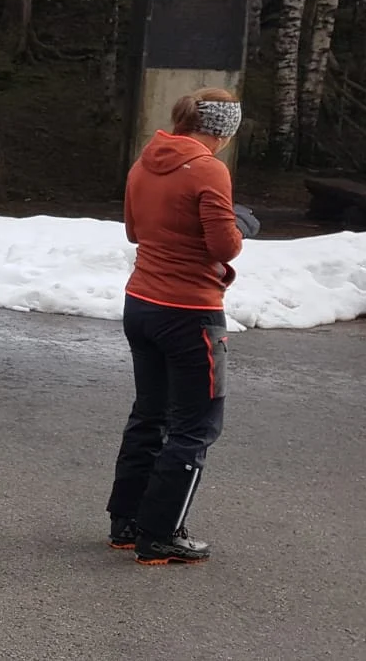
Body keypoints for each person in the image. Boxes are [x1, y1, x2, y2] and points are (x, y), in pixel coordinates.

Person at [105, 87, 259, 565]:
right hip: (190, 312)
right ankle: (160, 535)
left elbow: (134, 231)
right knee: (195, 427)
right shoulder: (210, 169)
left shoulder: (145, 162)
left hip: (141, 303)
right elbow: (223, 247)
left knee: (149, 415)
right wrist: (240, 224)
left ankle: (127, 523)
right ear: (224, 130)